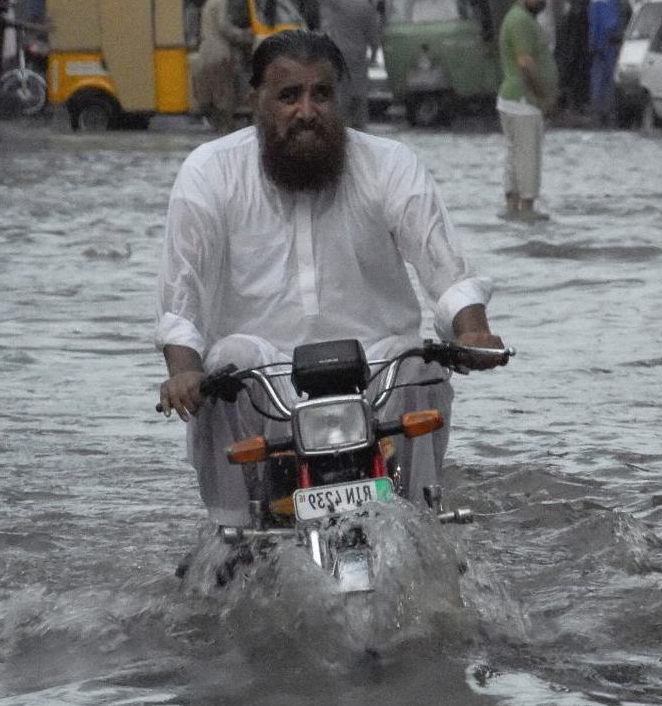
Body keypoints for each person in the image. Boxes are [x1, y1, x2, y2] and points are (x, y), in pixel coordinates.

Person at [155, 30, 510, 528]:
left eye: (321, 94)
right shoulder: (209, 173)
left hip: (375, 379)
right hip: (265, 388)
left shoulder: (391, 165)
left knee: (423, 365)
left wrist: (472, 333)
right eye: (288, 96)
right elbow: (181, 304)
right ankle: (232, 534)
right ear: (255, 100)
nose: (307, 111)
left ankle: (421, 524)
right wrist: (184, 372)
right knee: (226, 363)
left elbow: (447, 270)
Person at [498, 0, 557, 220]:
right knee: (528, 158)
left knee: (514, 155)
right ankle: (528, 209)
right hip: (524, 101)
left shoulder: (519, 18)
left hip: (512, 100)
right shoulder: (521, 21)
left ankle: (512, 207)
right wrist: (543, 96)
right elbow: (525, 62)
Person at [315, 0, 383, 128]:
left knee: (340, 104)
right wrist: (372, 58)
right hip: (359, 61)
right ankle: (360, 134)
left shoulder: (336, 2)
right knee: (360, 102)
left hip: (338, 61)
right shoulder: (365, 6)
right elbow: (374, 39)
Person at [190, 0, 253, 131]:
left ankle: (217, 127)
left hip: (206, 52)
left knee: (213, 93)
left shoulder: (209, 1)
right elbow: (224, 27)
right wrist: (243, 34)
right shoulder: (221, 1)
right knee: (225, 94)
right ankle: (226, 130)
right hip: (220, 52)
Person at [587, 0, 626, 125]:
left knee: (598, 77)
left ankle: (598, 111)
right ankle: (608, 113)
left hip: (596, 38)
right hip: (610, 40)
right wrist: (617, 33)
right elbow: (612, 14)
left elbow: (594, 12)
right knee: (610, 78)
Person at [558, 0, 596, 115]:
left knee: (574, 72)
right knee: (578, 73)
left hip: (575, 43)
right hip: (579, 43)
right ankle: (576, 103)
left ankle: (573, 102)